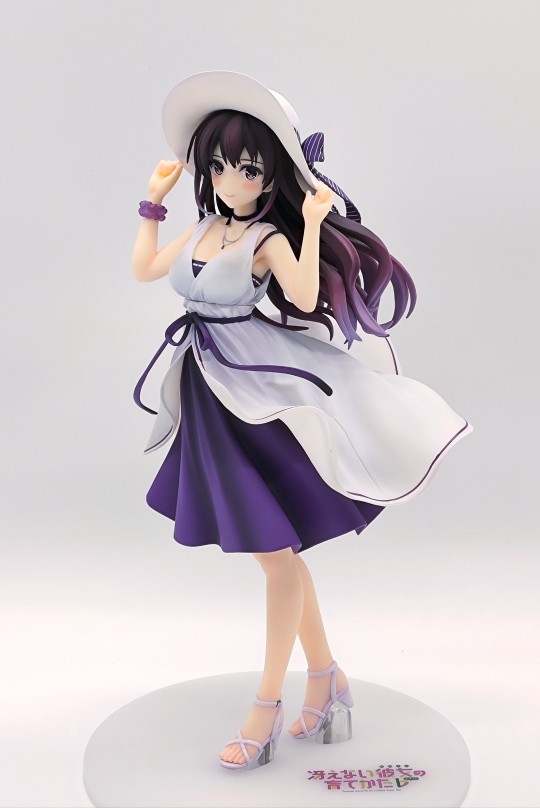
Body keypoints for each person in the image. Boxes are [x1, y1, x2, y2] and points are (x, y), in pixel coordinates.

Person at [131, 71, 473, 771]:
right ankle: (327, 679)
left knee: (274, 555)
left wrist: (312, 224)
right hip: (208, 388)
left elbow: (305, 291)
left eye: (248, 169)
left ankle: (266, 709)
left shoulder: (264, 238)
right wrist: (154, 203)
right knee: (277, 554)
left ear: (269, 177)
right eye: (218, 165)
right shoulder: (206, 226)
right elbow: (146, 269)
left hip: (256, 390)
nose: (230, 180)